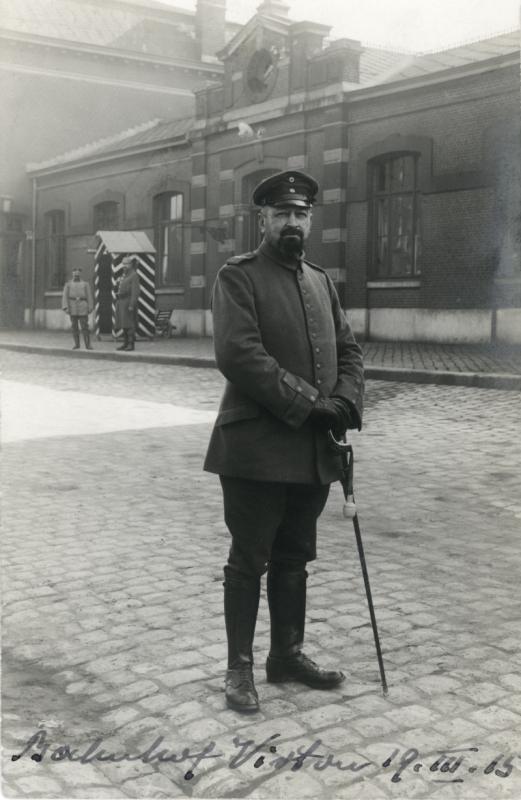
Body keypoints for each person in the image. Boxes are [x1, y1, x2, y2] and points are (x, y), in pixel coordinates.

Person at [204, 170, 365, 714]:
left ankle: (286, 655)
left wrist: (345, 402)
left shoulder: (320, 280)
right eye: (282, 214)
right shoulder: (239, 277)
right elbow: (239, 354)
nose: (293, 223)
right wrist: (310, 405)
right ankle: (239, 670)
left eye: (301, 214)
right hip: (254, 449)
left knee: (295, 556)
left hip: (311, 450)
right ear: (264, 220)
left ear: (310, 219)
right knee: (249, 558)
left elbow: (349, 352)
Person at [62, 268, 94, 350]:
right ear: (72, 274)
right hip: (72, 307)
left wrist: (90, 306)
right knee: (74, 326)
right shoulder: (68, 284)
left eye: (78, 273)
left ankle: (88, 345)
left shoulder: (85, 284)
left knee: (85, 326)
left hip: (83, 306)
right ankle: (77, 344)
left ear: (80, 274)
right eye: (75, 273)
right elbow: (65, 296)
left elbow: (89, 296)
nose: (76, 274)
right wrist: (65, 307)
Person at [115, 256, 140, 351]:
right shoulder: (124, 275)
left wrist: (131, 305)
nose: (124, 266)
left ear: (131, 265)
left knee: (129, 323)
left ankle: (131, 344)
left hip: (128, 301)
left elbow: (136, 291)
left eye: (126, 264)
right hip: (121, 302)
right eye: (123, 264)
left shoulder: (133, 275)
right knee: (123, 323)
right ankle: (125, 343)